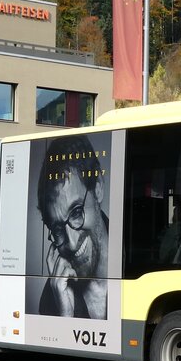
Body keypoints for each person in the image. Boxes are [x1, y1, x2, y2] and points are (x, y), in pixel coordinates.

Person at [35, 135, 109, 319]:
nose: (73, 243)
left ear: (98, 188)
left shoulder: (138, 257)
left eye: (76, 212)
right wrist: (65, 314)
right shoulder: (53, 297)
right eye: (58, 228)